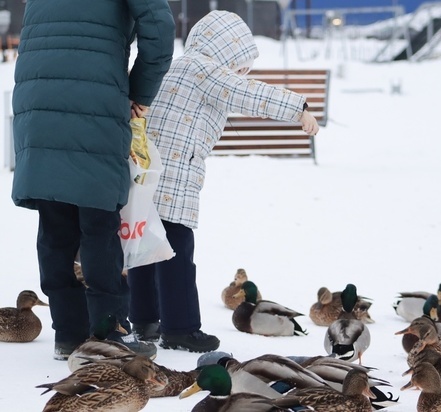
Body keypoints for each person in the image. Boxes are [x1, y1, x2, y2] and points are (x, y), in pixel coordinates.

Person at [127, 10, 319, 353]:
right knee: (176, 254)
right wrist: (298, 108)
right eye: (240, 62)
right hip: (175, 178)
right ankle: (181, 328)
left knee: (146, 246)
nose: (241, 71)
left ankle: (144, 319)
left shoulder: (177, 64)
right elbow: (248, 93)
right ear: (225, 50)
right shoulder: (205, 69)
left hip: (146, 173)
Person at [11, 0, 176, 360]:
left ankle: (68, 334)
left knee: (55, 221)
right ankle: (109, 333)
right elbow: (160, 33)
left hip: (37, 101)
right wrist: (140, 92)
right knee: (98, 220)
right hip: (96, 100)